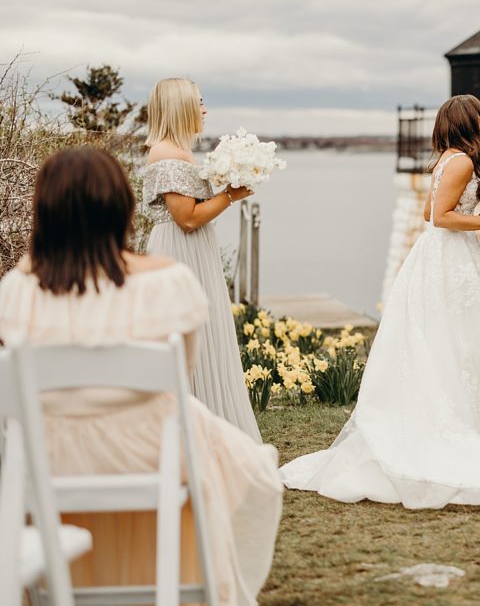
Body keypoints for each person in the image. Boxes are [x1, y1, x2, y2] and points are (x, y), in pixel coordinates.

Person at [278, 95, 480, 508]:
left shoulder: (447, 158)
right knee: (459, 337)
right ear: (467, 121)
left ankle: (473, 415)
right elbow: (439, 216)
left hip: (444, 257)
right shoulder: (462, 161)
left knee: (448, 336)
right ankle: (466, 422)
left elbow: (429, 207)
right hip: (451, 256)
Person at [0, 146, 282, 606]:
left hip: (48, 456)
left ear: (44, 211)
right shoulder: (166, 282)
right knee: (223, 451)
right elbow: (183, 370)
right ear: (121, 208)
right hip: (153, 453)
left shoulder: (17, 291)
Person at [141, 77, 261, 442]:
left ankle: (209, 428)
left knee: (206, 334)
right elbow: (187, 218)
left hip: (193, 250)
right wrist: (230, 195)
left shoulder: (178, 151)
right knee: (188, 334)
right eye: (199, 102)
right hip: (180, 251)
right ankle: (190, 437)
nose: (205, 109)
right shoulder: (166, 154)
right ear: (181, 107)